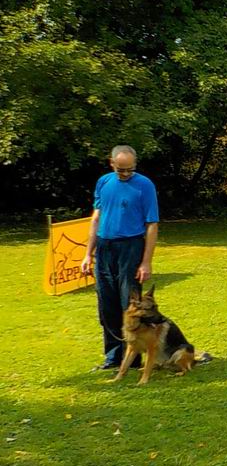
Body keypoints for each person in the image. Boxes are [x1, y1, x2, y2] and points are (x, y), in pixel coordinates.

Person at [80, 146, 159, 370]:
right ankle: (112, 357)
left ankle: (132, 358)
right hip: (105, 247)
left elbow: (152, 224)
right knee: (107, 304)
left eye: (130, 170)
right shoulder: (104, 182)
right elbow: (96, 219)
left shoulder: (144, 185)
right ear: (111, 163)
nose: (125, 174)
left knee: (130, 304)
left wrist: (146, 261)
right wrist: (88, 254)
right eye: (121, 170)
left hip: (131, 246)